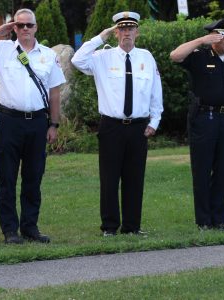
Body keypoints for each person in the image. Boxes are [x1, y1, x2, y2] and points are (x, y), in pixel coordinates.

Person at [0, 8, 66, 244]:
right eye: (19, 25)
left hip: (38, 123)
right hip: (9, 122)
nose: (25, 29)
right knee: (7, 178)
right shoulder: (2, 49)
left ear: (36, 27)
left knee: (33, 177)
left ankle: (30, 228)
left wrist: (54, 124)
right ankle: (10, 230)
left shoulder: (48, 55)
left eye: (29, 25)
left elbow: (55, 93)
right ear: (14, 28)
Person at [71, 12, 163, 236]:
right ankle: (109, 227)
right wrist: (100, 38)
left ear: (137, 32)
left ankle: (132, 226)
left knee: (135, 178)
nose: (126, 33)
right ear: (116, 33)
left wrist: (155, 120)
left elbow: (155, 91)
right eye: (122, 29)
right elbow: (76, 60)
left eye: (130, 28)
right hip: (111, 126)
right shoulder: (102, 57)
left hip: (138, 126)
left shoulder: (146, 57)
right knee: (109, 178)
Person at [169, 18, 224, 231]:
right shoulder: (200, 57)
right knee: (202, 170)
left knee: (223, 170)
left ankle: (219, 220)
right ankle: (204, 220)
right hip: (203, 118)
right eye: (222, 35)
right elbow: (175, 55)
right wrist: (201, 40)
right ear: (213, 36)